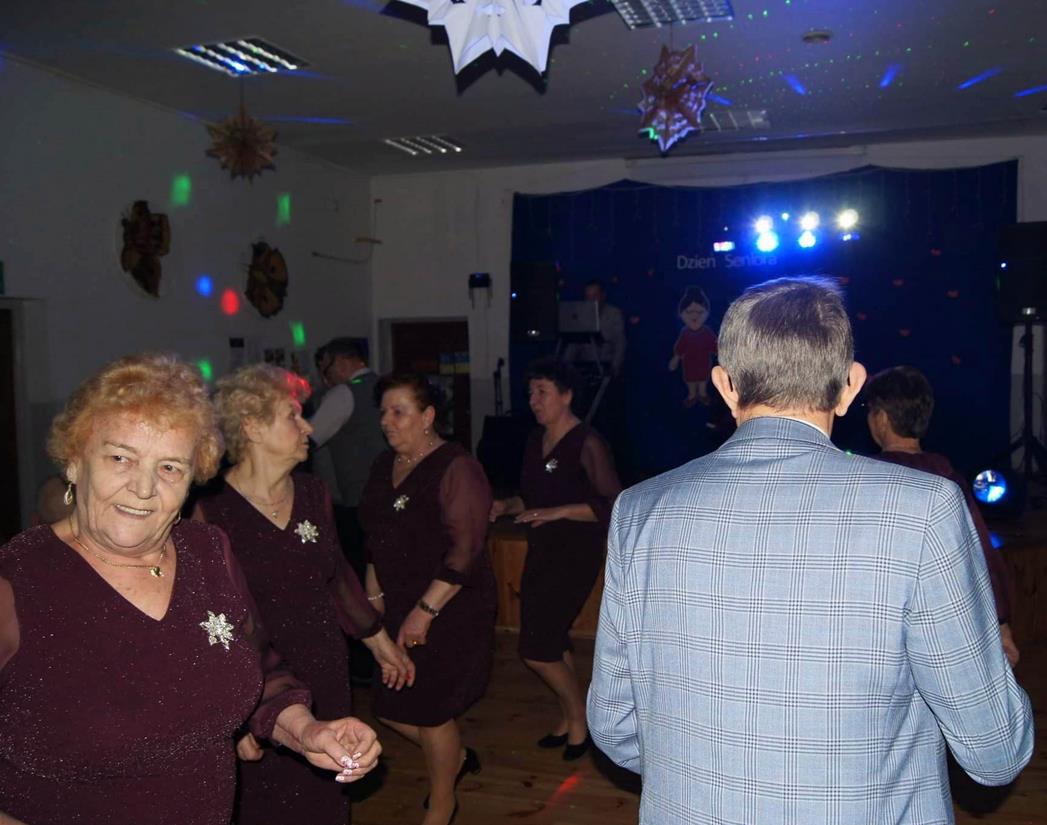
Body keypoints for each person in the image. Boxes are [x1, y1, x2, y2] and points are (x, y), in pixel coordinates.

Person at [588, 277, 1033, 825]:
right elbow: (994, 750)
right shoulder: (924, 508)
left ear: (724, 385)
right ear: (851, 386)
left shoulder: (639, 510)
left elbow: (614, 724)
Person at [0, 353, 381, 825]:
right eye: (120, 458)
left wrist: (305, 731)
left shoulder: (207, 552)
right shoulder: (19, 579)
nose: (143, 488)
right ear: (75, 462)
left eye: (170, 468)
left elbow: (258, 668)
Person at [194, 364, 415, 825]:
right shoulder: (210, 512)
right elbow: (206, 626)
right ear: (252, 427)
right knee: (266, 804)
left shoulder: (313, 493)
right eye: (293, 416)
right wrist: (235, 717)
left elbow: (337, 578)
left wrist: (381, 645)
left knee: (328, 791)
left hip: (324, 671)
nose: (309, 428)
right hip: (256, 681)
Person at [358, 373, 496, 825]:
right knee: (389, 707)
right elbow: (374, 536)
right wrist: (373, 591)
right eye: (383, 412)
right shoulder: (383, 464)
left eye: (399, 412)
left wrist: (424, 612)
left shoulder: (456, 466)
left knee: (431, 709)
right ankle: (454, 757)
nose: (387, 421)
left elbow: (465, 551)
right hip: (397, 601)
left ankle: (442, 805)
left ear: (428, 416)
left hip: (450, 605)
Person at [491, 359, 621, 760]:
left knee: (536, 649)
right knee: (552, 638)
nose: (533, 400)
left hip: (574, 553)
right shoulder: (536, 439)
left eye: (542, 392)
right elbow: (532, 499)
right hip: (543, 549)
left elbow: (613, 504)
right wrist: (506, 505)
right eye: (531, 392)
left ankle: (580, 717)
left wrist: (559, 511)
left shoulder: (587, 442)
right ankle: (570, 717)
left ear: (566, 395)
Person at [865, 365, 1020, 666]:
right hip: (940, 626)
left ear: (881, 417)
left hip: (883, 626)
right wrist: (1001, 625)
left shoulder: (868, 479)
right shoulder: (948, 477)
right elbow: (982, 554)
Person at [563, 279, 626, 375]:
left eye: (595, 296)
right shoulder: (581, 315)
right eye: (588, 297)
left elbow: (620, 344)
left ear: (603, 296)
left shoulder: (614, 314)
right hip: (584, 365)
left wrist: (614, 368)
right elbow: (573, 344)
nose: (591, 300)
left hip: (607, 364)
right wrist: (566, 366)